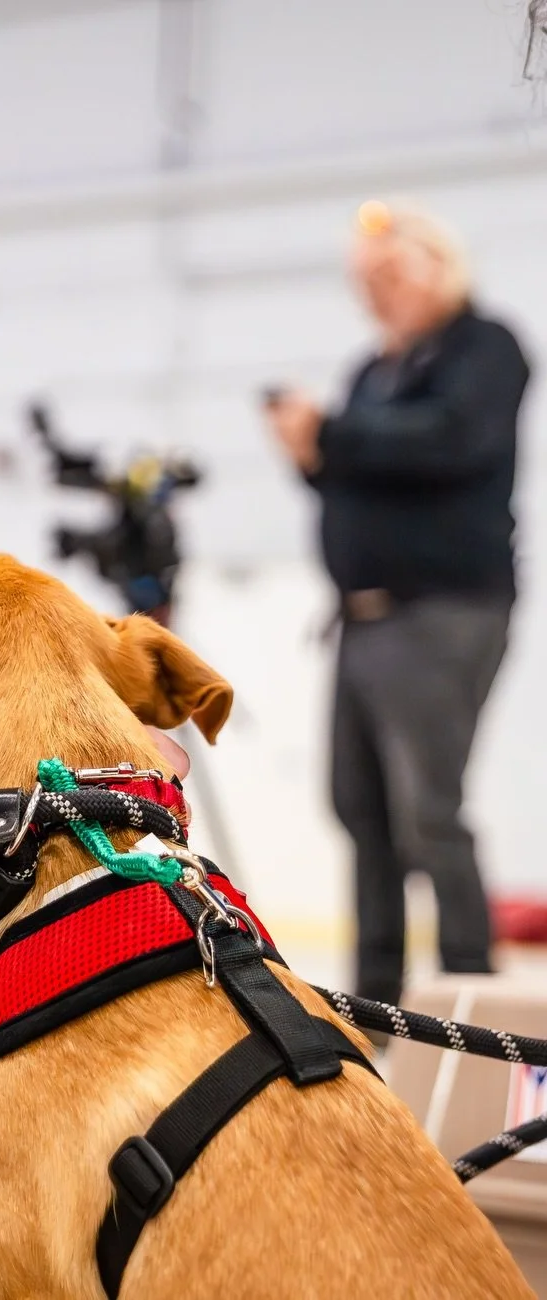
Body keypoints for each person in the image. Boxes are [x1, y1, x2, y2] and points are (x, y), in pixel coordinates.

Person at [264, 201, 529, 1010]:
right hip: (363, 618)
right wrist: (310, 455)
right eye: (363, 280)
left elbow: (449, 440)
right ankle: (377, 1003)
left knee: (428, 813)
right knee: (360, 809)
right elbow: (353, 477)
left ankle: (471, 998)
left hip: (440, 612)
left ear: (439, 265)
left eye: (389, 273)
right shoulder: (373, 371)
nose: (374, 292)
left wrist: (330, 434)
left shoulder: (485, 347)